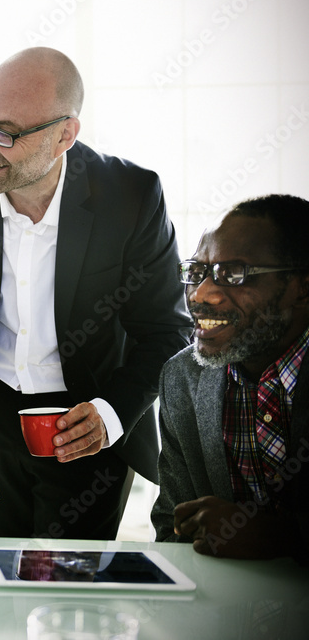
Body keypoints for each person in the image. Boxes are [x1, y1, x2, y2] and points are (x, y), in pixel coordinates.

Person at [0, 47, 190, 539]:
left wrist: (111, 415)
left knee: (73, 596)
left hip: (88, 421)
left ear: (64, 136)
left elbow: (166, 331)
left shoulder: (132, 196)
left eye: (5, 133)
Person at [152, 195, 308, 561]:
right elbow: (172, 527)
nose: (202, 294)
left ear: (302, 286)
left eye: (233, 274)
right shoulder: (183, 378)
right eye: (196, 272)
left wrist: (282, 539)